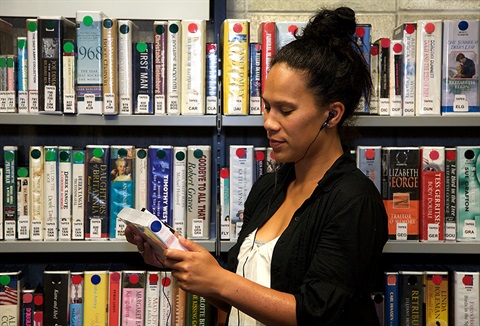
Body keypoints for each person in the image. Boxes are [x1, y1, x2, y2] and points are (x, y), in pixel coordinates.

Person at [126, 6, 388, 325]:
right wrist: (180, 262)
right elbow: (243, 296)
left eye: (286, 110)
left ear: (331, 115)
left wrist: (222, 280)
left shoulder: (354, 200)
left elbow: (319, 313)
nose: (268, 123)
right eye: (266, 106)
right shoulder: (268, 188)